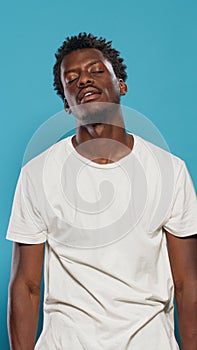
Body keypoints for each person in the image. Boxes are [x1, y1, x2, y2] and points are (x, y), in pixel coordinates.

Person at [7, 33, 197, 350]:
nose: (83, 80)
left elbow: (187, 282)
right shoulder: (37, 174)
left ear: (120, 85)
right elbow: (25, 286)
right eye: (71, 78)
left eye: (96, 70)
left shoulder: (170, 170)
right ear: (66, 105)